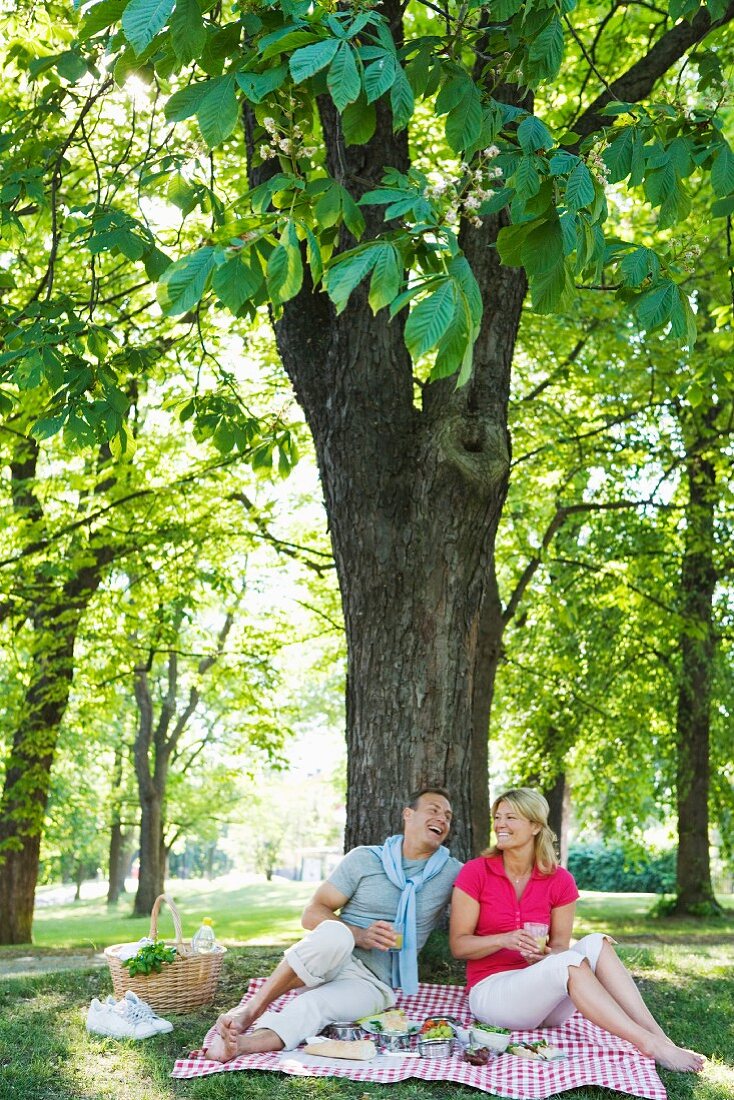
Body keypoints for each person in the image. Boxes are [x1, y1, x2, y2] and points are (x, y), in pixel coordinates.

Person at [449, 787, 704, 1074]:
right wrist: (503, 939)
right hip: (492, 994)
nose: (500, 825)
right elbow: (459, 946)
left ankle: (662, 1038)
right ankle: (648, 1044)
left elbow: (558, 948)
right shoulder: (476, 872)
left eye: (511, 817)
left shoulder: (559, 880)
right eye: (498, 817)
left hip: (545, 1002)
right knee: (569, 963)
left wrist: (544, 955)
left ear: (535, 826)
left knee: (595, 942)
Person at [204, 786, 462, 1062]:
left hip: (372, 983)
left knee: (313, 1006)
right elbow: (312, 913)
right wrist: (360, 935)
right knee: (336, 934)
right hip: (330, 959)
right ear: (408, 815)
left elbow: (491, 881)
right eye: (433, 810)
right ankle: (251, 1011)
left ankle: (242, 1045)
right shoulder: (365, 859)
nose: (442, 820)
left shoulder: (452, 872)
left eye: (447, 816)